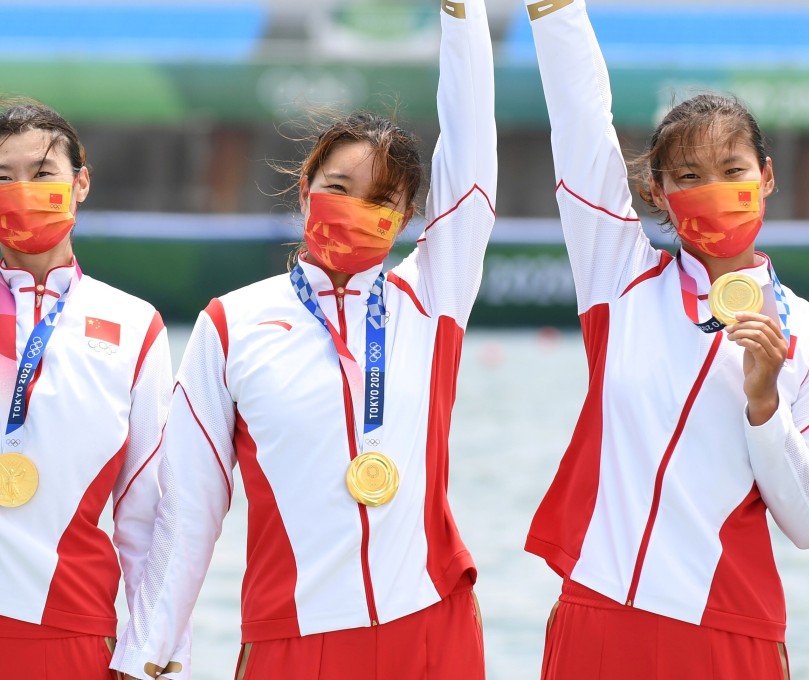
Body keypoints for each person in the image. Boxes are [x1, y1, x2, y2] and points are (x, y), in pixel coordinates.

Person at [109, 2, 496, 679]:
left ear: (406, 218)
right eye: (339, 188)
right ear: (306, 188)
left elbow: (471, 154)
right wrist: (151, 648)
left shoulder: (432, 298)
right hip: (296, 635)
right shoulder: (232, 323)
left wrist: (463, 16)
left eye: (380, 200)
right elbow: (192, 499)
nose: (354, 209)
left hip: (432, 622)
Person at [521, 1, 809, 677]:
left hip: (728, 629)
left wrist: (765, 404)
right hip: (599, 612)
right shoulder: (619, 278)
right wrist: (554, 13)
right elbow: (581, 119)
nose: (712, 191)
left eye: (732, 171)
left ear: (767, 175)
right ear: (657, 191)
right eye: (688, 177)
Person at [0, 101, 176, 679]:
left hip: (70, 630)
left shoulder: (133, 325)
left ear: (81, 183)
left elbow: (147, 507)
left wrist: (149, 645)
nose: (21, 190)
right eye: (3, 178)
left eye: (42, 174)